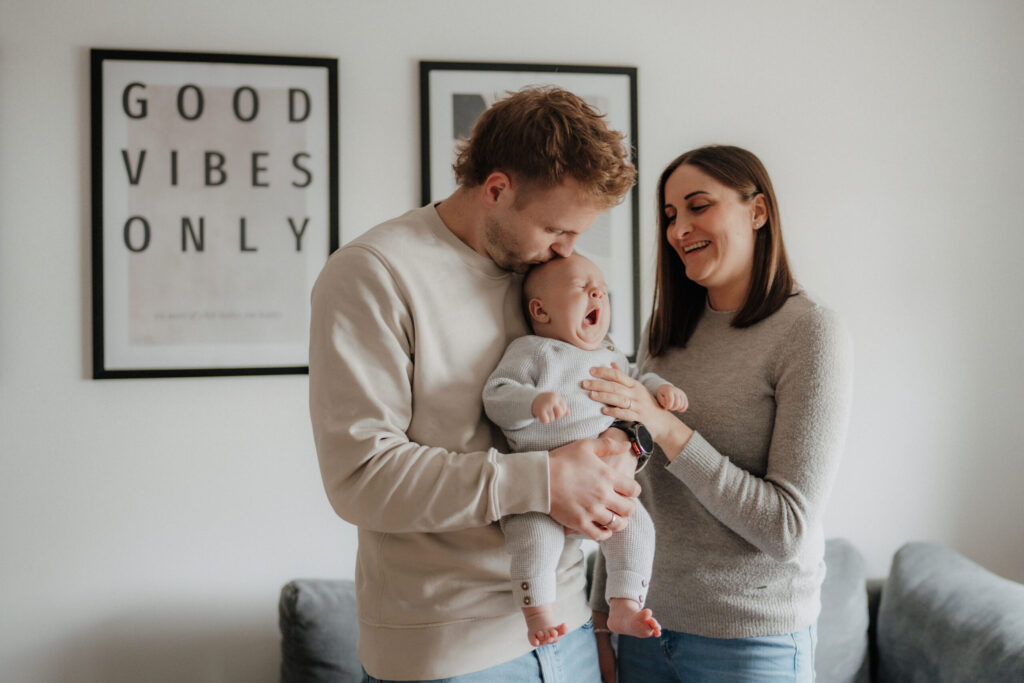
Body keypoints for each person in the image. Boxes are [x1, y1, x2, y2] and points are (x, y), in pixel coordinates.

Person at [309, 86, 643, 682]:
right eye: (555, 230)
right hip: (448, 654)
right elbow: (358, 478)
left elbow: (599, 404)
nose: (567, 252)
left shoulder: (544, 279)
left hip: (564, 630)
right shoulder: (372, 274)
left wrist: (621, 446)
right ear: (496, 190)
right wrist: (544, 479)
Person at [584, 145, 854, 683]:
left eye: (698, 206)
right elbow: (632, 487)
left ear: (758, 212)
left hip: (752, 644)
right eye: (669, 215)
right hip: (645, 629)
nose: (679, 228)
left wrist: (668, 427)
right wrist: (600, 614)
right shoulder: (666, 332)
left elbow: (787, 528)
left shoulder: (810, 331)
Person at [483, 252, 687, 648]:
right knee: (534, 541)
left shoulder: (610, 354)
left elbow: (637, 381)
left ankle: (625, 604)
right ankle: (538, 612)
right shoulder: (533, 351)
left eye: (602, 290)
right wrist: (532, 402)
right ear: (540, 310)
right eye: (581, 287)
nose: (597, 292)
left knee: (637, 527)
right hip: (542, 483)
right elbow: (496, 395)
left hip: (607, 485)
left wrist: (660, 388)